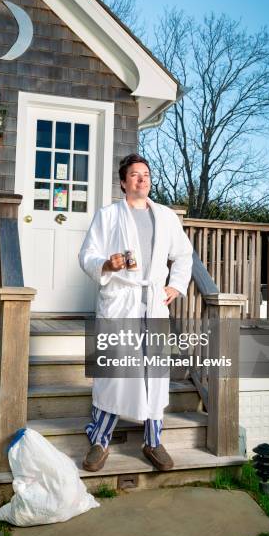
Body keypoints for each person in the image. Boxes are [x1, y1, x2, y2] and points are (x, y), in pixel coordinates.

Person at [78, 153, 193, 472]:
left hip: (153, 300)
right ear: (123, 182)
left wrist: (176, 286)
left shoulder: (167, 216)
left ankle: (153, 441)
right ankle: (99, 440)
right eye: (135, 175)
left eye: (146, 174)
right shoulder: (108, 215)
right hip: (121, 299)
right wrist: (105, 264)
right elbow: (87, 254)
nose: (142, 179)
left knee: (154, 373)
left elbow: (184, 255)